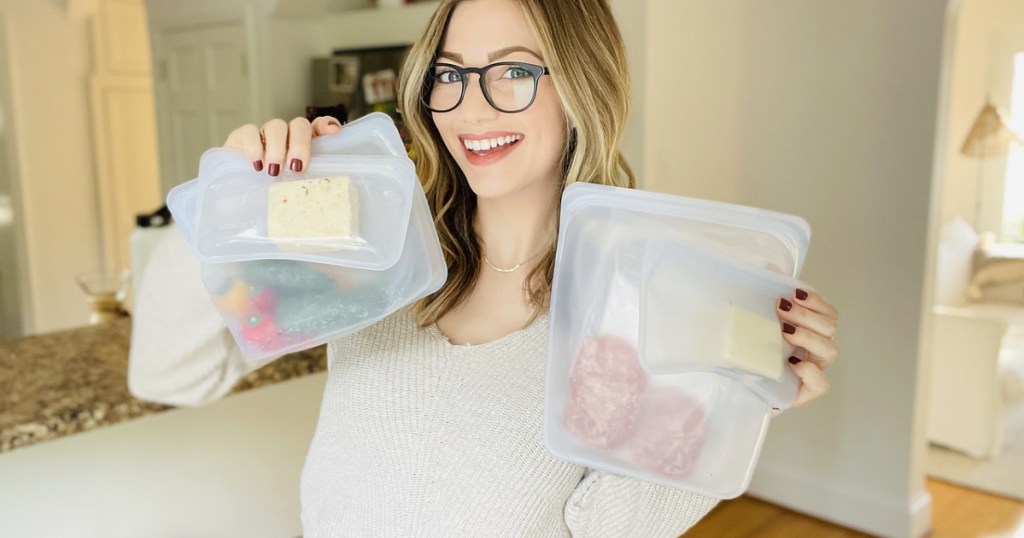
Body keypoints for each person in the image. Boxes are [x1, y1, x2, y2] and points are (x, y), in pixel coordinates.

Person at [136, 0, 840, 535]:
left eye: (513, 71)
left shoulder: (632, 306)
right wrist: (234, 198)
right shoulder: (377, 253)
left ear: (581, 88)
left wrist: (729, 404)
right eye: (451, 74)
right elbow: (168, 372)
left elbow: (606, 527)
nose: (472, 106)